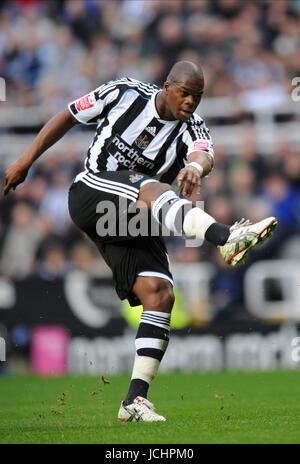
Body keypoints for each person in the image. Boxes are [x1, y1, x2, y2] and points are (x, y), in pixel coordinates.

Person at [4, 61, 278, 422]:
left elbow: (203, 153)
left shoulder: (191, 127)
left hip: (132, 215)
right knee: (152, 187)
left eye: (198, 96)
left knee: (159, 293)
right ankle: (226, 237)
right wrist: (25, 161)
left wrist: (194, 168)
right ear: (167, 86)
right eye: (184, 93)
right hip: (91, 192)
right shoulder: (124, 93)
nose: (190, 102)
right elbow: (69, 115)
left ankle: (134, 401)